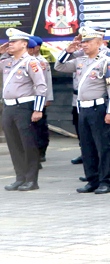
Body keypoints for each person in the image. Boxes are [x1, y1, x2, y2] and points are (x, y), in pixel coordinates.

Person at [55, 26, 110, 194]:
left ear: (99, 42)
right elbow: (59, 66)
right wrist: (68, 50)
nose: (84, 45)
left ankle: (105, 181)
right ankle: (92, 180)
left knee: (102, 146)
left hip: (99, 108)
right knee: (86, 146)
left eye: (88, 41)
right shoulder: (79, 61)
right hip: (82, 109)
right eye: (83, 41)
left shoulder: (107, 62)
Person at [1, 29, 48, 191]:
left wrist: (38, 109)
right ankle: (19, 177)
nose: (10, 44)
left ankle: (31, 180)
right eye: (10, 41)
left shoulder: (31, 62)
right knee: (14, 145)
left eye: (14, 41)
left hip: (25, 107)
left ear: (24, 44)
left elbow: (41, 86)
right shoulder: (7, 62)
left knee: (28, 144)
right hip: (8, 107)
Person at [28, 36, 52, 163]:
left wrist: (48, 98)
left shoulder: (42, 62)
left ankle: (41, 151)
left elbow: (46, 81)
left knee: (40, 127)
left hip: (39, 98)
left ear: (37, 47)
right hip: (26, 99)